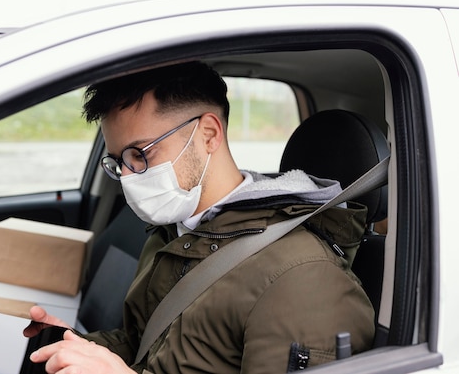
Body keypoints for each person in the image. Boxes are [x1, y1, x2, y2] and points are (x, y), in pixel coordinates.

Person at [24, 61, 375, 373]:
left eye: (140, 154)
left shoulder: (302, 277)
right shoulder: (174, 235)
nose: (128, 176)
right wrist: (78, 347)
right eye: (119, 161)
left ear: (208, 134)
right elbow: (145, 348)